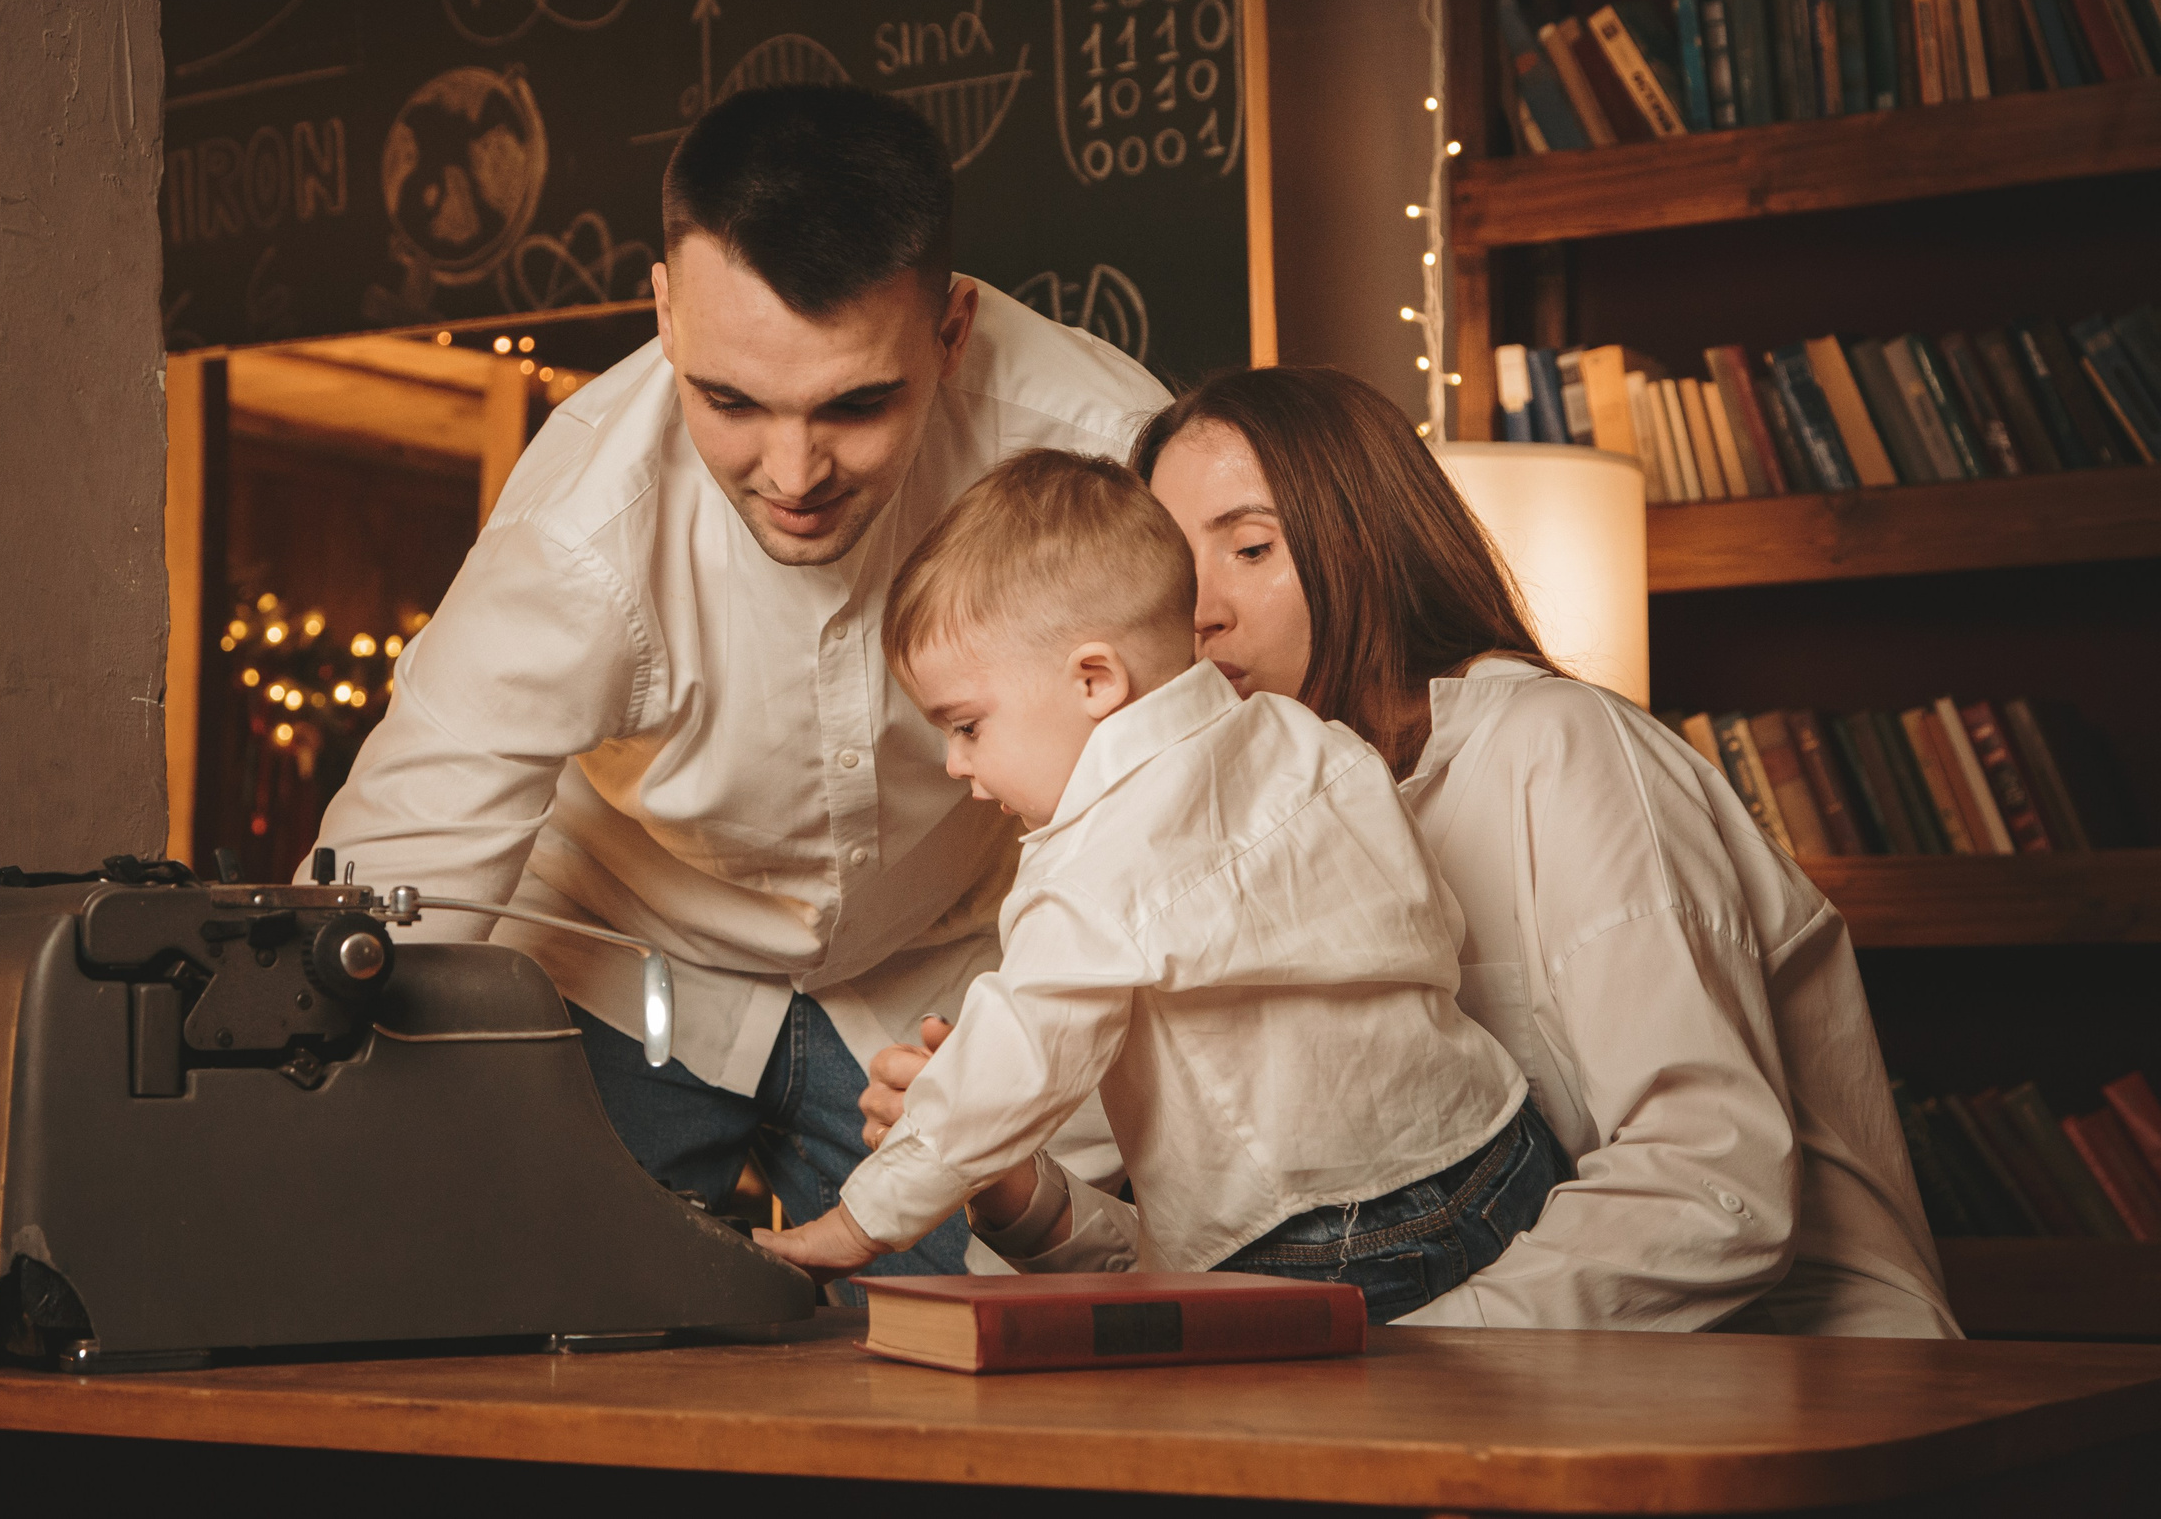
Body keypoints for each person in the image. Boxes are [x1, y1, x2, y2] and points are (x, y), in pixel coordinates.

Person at [861, 368, 1959, 1334]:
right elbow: (1248, 1258)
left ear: (1364, 542)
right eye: (1159, 563)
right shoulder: (1177, 846)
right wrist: (1016, 1188)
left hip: (1799, 1385)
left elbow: (1710, 1188)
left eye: (1250, 547)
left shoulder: (1557, 747)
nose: (1194, 610)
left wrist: (1389, 1360)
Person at [305, 84, 1167, 1274]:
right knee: (557, 1348)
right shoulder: (576, 530)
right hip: (626, 958)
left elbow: (1191, 805)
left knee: (970, 1399)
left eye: (857, 404)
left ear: (952, 330)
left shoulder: (1107, 453)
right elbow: (404, 863)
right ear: (663, 311)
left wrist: (1051, 1149)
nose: (794, 471)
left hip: (953, 975)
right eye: (730, 402)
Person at [756, 451, 1565, 1322]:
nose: (957, 764)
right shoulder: (1306, 739)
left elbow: (1016, 1061)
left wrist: (855, 1221)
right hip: (1498, 1150)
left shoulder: (1088, 863)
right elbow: (1432, 921)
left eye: (966, 725)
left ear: (1095, 681)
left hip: (1311, 1235)